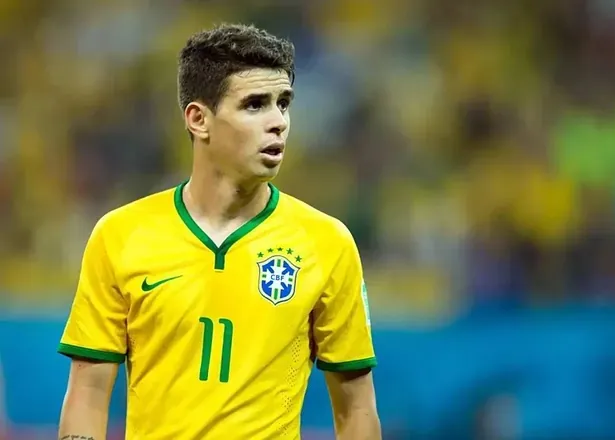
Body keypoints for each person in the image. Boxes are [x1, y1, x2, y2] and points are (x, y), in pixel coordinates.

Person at [57, 23, 380, 440]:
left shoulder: (327, 243)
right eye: (254, 105)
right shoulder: (121, 236)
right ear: (199, 119)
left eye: (283, 103)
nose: (278, 122)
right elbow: (87, 393)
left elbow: (356, 408)